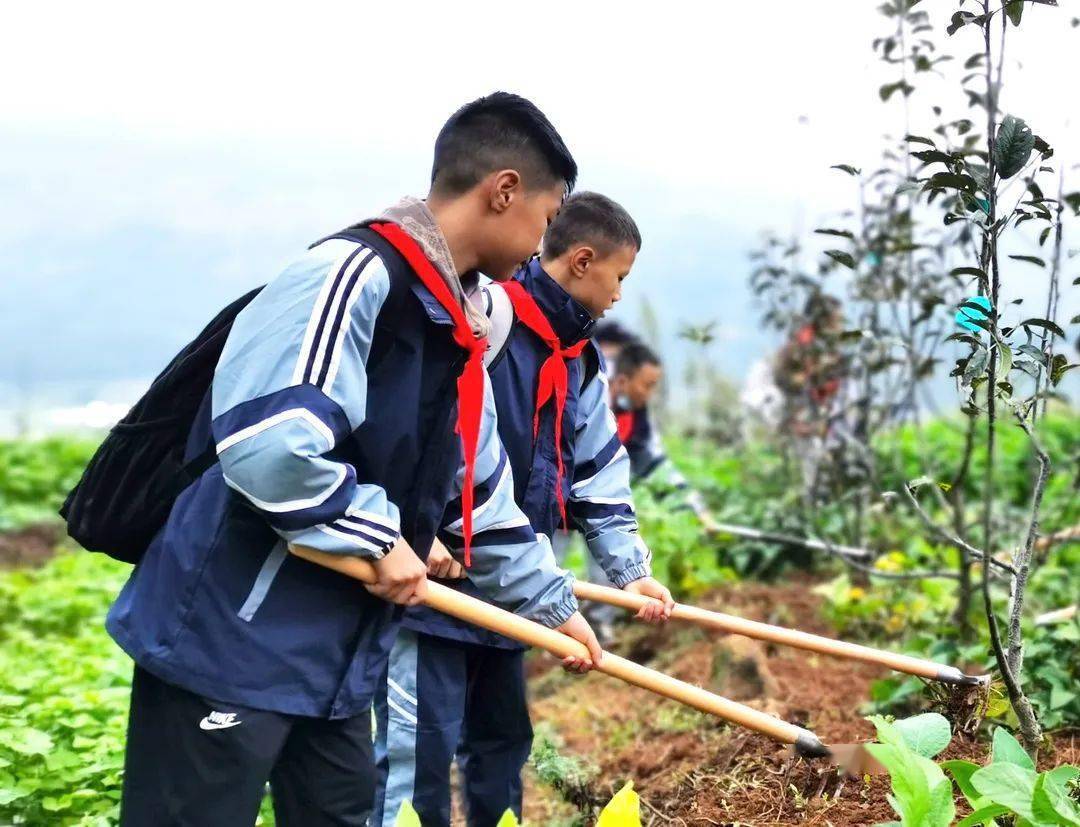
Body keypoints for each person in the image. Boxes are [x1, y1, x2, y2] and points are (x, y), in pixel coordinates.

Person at [106, 91, 604, 827]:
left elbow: (480, 496)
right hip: (232, 639)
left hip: (336, 662)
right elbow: (269, 443)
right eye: (547, 214)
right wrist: (379, 536)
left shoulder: (461, 325)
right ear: (504, 191)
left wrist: (553, 605)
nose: (543, 244)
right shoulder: (352, 274)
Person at [373, 192, 674, 827]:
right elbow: (426, 438)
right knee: (415, 759)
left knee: (501, 748)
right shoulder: (486, 323)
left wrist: (629, 570)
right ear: (585, 261)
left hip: (513, 590)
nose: (619, 295)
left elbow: (598, 472)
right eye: (620, 278)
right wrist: (415, 527)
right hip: (440, 585)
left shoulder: (580, 358)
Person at [608, 341, 720, 531]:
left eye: (654, 386)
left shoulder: (636, 419)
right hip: (556, 505)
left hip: (597, 509)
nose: (650, 395)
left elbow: (657, 468)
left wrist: (697, 510)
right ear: (622, 382)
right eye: (647, 386)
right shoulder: (586, 404)